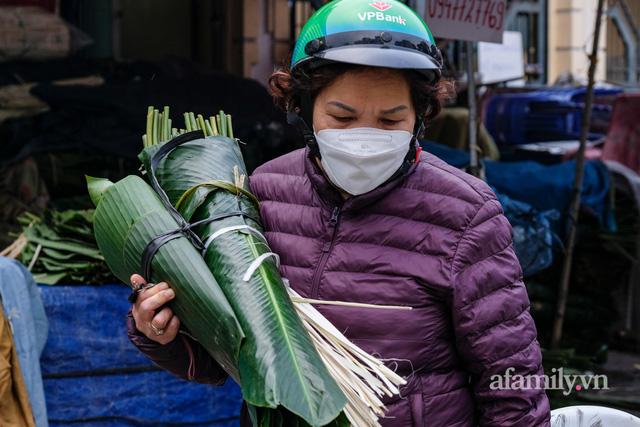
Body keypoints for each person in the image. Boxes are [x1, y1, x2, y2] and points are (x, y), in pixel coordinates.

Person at [127, 0, 551, 425]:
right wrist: (164, 334)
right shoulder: (258, 193)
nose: (364, 137)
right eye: (342, 116)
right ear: (304, 108)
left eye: (390, 120)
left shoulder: (466, 212)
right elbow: (230, 357)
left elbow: (511, 382)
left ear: (420, 117)